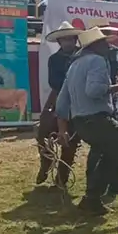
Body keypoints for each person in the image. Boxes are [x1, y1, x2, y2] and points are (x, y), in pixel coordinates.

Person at [55, 27, 118, 221]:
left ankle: (91, 201)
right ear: (95, 45)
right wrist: (116, 87)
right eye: (104, 42)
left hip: (81, 123)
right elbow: (94, 91)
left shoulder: (74, 66)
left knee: (109, 157)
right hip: (98, 120)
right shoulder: (97, 60)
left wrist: (62, 129)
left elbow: (62, 102)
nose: (108, 45)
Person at [36, 21, 82, 186]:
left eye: (70, 39)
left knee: (71, 140)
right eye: (64, 39)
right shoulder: (54, 59)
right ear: (59, 42)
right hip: (59, 96)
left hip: (78, 100)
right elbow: (54, 83)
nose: (68, 42)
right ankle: (46, 163)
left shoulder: (83, 56)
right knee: (43, 132)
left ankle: (62, 177)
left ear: (75, 40)